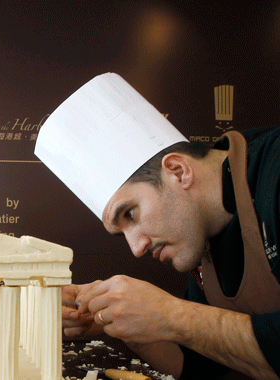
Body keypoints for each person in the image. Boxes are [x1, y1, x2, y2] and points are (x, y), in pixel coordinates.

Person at [34, 73, 280, 380]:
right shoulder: (200, 237)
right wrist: (112, 320)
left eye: (131, 214)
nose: (137, 248)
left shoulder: (275, 171)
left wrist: (171, 315)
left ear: (178, 171)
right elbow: (201, 368)